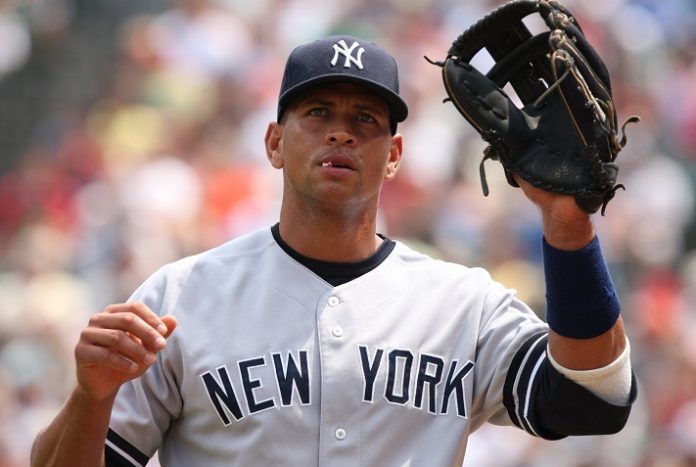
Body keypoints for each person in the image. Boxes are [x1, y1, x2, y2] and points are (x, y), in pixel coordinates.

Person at [30, 35, 636, 467]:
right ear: (274, 142)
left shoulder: (463, 306)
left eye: (366, 119)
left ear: (394, 155)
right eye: (318, 113)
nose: (341, 131)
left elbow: (593, 400)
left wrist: (568, 229)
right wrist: (91, 397)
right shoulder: (180, 297)